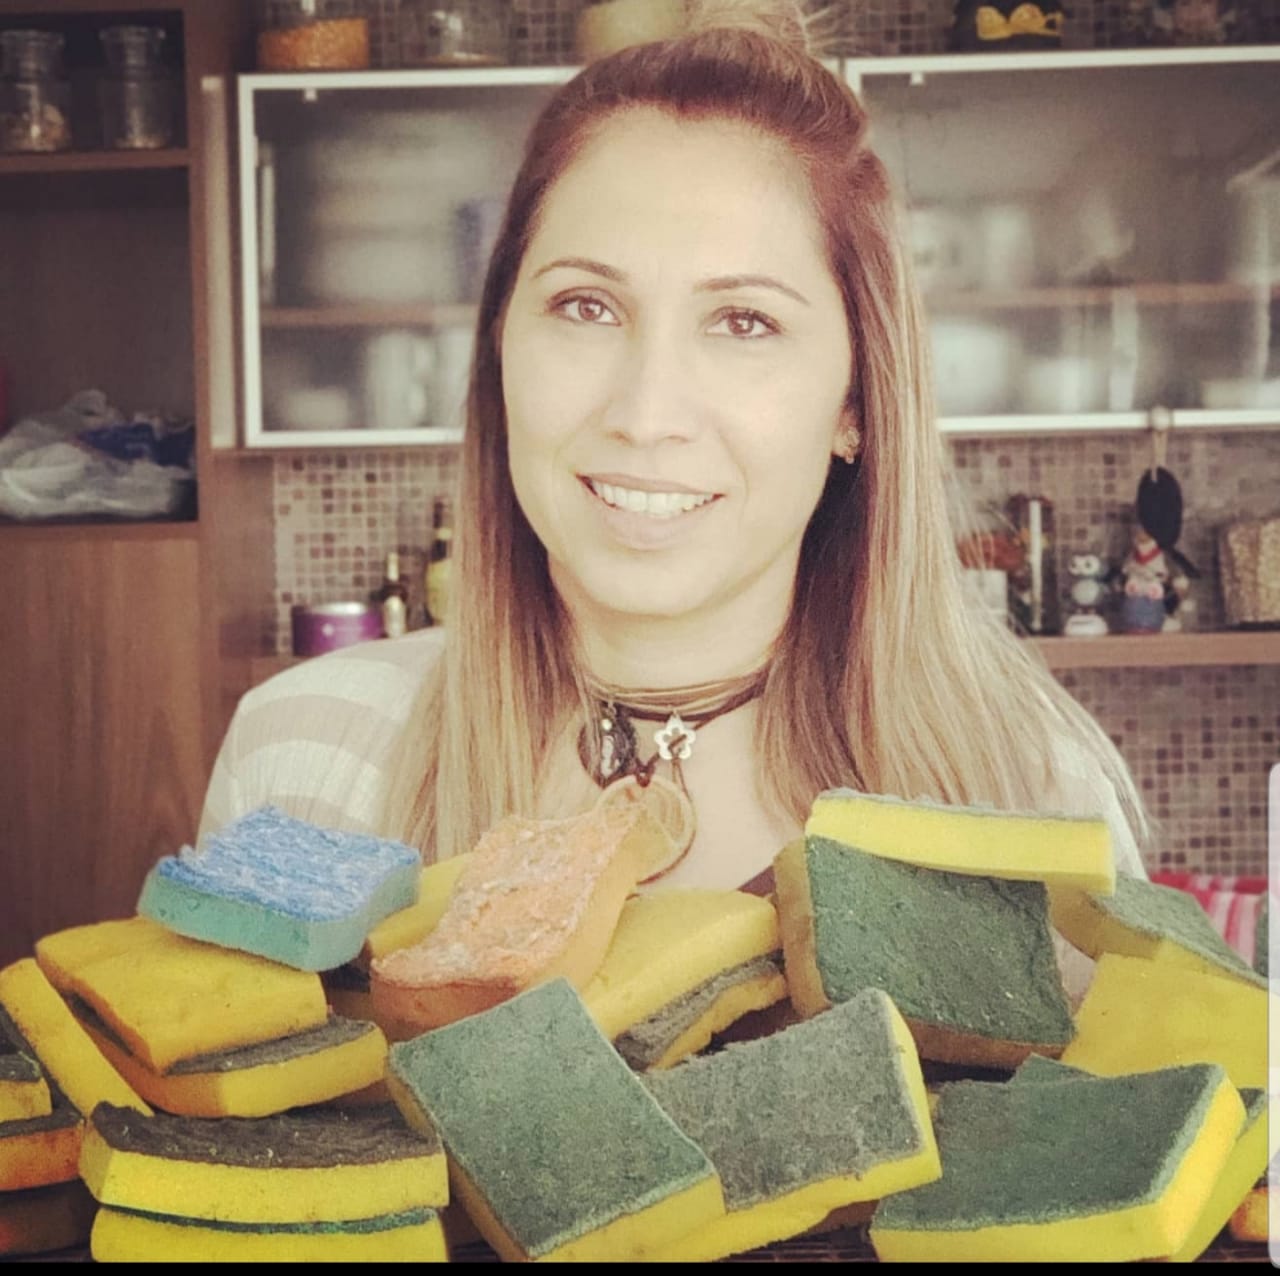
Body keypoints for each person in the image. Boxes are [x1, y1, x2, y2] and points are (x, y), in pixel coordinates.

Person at [201, 2, 1148, 925]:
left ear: (855, 402)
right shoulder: (305, 762)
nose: (646, 415)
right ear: (497, 347)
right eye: (586, 307)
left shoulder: (1030, 795)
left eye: (744, 322)